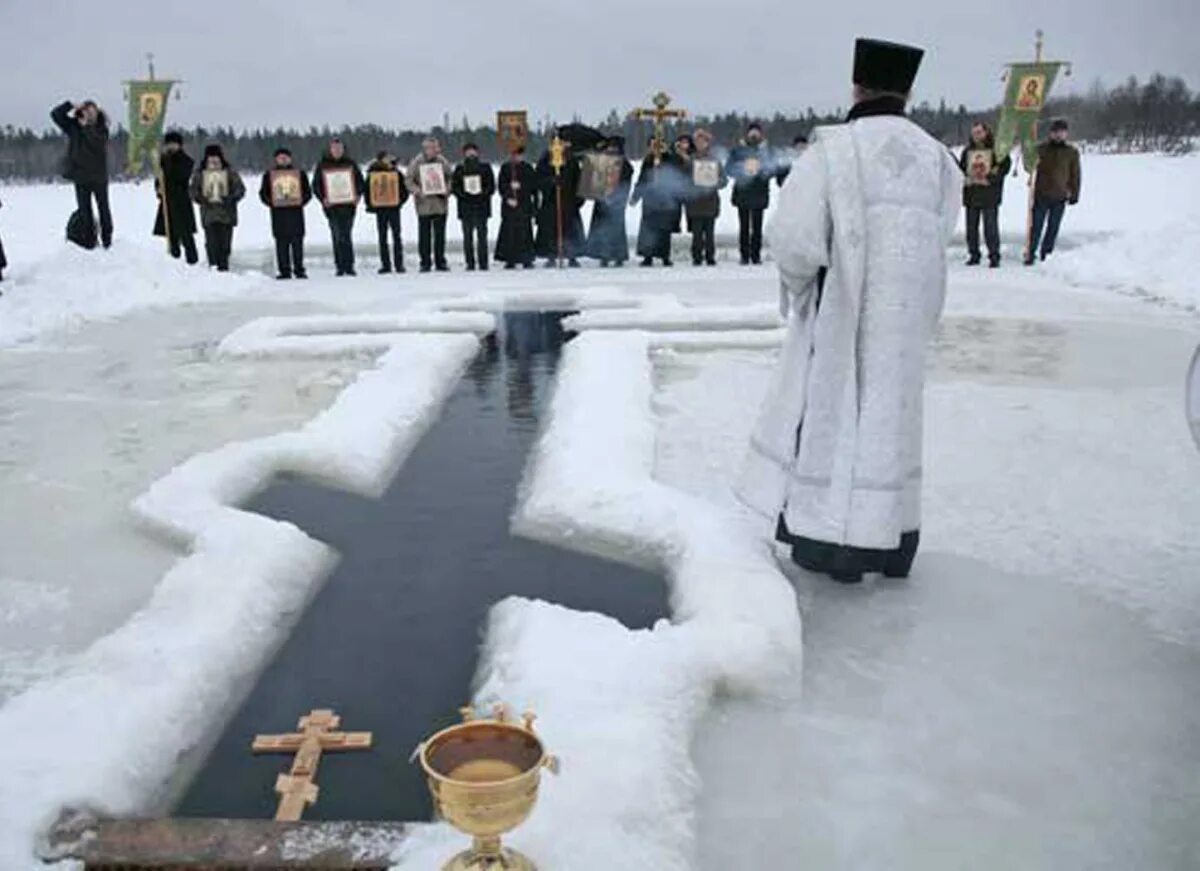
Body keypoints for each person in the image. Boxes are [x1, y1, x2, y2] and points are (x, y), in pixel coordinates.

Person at [736, 37, 961, 585]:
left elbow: (794, 240)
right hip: (905, 319)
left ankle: (834, 546)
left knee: (836, 420)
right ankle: (892, 542)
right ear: (907, 91)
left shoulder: (834, 149)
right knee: (893, 421)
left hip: (844, 313)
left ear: (857, 86)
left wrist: (799, 286)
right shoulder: (937, 156)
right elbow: (942, 230)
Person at [51, 99, 112, 249]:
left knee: (103, 209)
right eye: (86, 111)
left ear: (97, 113)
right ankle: (88, 241)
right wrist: (70, 105)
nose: (89, 115)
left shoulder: (101, 128)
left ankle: (107, 241)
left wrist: (86, 127)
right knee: (85, 213)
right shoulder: (73, 127)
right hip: (80, 177)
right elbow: (55, 115)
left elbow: (97, 144)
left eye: (92, 112)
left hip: (98, 177)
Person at [1027, 118, 1081, 265]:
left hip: (1060, 196)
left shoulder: (1071, 152)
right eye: (1055, 132)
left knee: (1053, 227)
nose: (1058, 135)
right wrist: (1028, 149)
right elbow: (1028, 163)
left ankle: (1046, 253)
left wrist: (1074, 194)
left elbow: (1075, 174)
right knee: (1036, 226)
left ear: (1066, 134)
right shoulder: (1041, 149)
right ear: (1051, 133)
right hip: (1041, 194)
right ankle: (1030, 252)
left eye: (1062, 132)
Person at [958, 122, 1011, 267]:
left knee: (990, 228)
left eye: (979, 132)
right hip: (972, 195)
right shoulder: (967, 151)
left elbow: (1005, 167)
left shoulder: (997, 150)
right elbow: (961, 170)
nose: (976, 136)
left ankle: (994, 256)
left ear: (986, 132)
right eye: (974, 133)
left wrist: (990, 179)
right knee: (971, 229)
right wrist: (965, 179)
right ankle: (974, 254)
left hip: (990, 195)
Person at [631, 135, 689, 267]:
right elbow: (642, 179)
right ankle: (648, 256)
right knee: (648, 228)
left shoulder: (671, 158)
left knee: (664, 229)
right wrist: (636, 196)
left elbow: (678, 170)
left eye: (658, 145)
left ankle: (665, 256)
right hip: (650, 200)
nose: (655, 148)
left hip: (665, 200)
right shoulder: (648, 160)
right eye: (652, 145)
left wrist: (665, 159)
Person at [188, 144, 244, 272]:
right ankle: (213, 268)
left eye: (216, 160)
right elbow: (192, 190)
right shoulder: (200, 174)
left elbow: (240, 189)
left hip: (227, 215)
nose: (213, 163)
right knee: (212, 243)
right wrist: (202, 199)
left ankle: (224, 268)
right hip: (209, 215)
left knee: (225, 244)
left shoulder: (230, 172)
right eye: (211, 160)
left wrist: (230, 198)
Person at [313, 137, 364, 276]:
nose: (337, 151)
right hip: (332, 207)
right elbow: (316, 185)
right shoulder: (323, 165)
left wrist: (358, 196)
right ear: (330, 150)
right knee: (337, 234)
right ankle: (340, 266)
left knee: (346, 235)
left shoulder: (351, 164)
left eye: (340, 148)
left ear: (343, 149)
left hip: (348, 206)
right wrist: (323, 199)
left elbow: (360, 182)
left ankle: (349, 265)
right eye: (334, 148)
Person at [259, 147, 312, 279]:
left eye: (285, 157)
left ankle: (299, 269)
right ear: (276, 159)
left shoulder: (299, 174)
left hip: (296, 214)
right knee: (281, 244)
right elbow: (263, 194)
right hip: (279, 215)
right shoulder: (269, 175)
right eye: (280, 157)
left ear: (290, 158)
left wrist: (300, 201)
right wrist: (272, 202)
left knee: (297, 244)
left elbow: (307, 192)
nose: (283, 159)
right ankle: (284, 270)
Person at [725, 122, 774, 264]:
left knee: (757, 228)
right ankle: (744, 255)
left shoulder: (767, 151)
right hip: (743, 193)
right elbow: (729, 168)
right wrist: (741, 170)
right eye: (751, 132)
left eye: (756, 132)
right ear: (747, 134)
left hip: (760, 192)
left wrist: (763, 171)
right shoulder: (738, 150)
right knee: (744, 227)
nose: (754, 135)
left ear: (761, 134)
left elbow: (772, 170)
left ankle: (756, 255)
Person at [535, 133, 585, 267]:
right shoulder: (545, 159)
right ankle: (551, 255)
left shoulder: (571, 160)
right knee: (551, 230)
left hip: (569, 202)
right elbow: (538, 180)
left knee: (571, 230)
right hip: (551, 201)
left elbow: (579, 181)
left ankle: (572, 256)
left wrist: (579, 199)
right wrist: (551, 181)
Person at [584, 136, 633, 267]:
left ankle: (618, 255)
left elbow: (625, 183)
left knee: (616, 229)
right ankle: (603, 255)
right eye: (610, 147)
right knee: (601, 228)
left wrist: (616, 197)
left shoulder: (625, 165)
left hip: (617, 201)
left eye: (614, 147)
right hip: (602, 200)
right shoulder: (602, 161)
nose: (611, 149)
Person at [682, 128, 728, 266]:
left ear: (708, 142)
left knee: (709, 232)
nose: (700, 143)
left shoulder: (715, 160)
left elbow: (724, 179)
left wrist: (715, 183)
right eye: (698, 141)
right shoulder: (691, 160)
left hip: (710, 200)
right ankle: (696, 256)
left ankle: (710, 256)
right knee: (696, 233)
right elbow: (684, 179)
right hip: (695, 201)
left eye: (703, 141)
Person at [407, 137, 453, 272]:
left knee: (440, 235)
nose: (432, 150)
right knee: (424, 235)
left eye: (434, 147)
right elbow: (409, 180)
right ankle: (425, 262)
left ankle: (440, 261)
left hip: (440, 204)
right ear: (424, 148)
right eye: (429, 147)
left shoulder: (443, 161)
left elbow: (450, 178)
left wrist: (447, 190)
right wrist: (417, 191)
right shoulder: (417, 162)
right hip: (424, 205)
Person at [152, 131, 199, 265]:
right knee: (171, 236)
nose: (171, 146)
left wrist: (167, 162)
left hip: (181, 203)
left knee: (186, 237)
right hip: (167, 203)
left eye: (174, 144)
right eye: (169, 144)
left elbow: (179, 176)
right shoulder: (162, 161)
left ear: (179, 145)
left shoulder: (186, 161)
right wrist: (158, 189)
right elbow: (159, 179)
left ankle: (192, 263)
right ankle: (174, 263)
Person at [451, 142, 496, 271]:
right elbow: (455, 187)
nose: (471, 153)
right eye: (468, 151)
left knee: (482, 237)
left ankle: (483, 262)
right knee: (467, 237)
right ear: (464, 153)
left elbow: (491, 186)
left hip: (481, 206)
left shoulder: (485, 167)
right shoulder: (459, 169)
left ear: (477, 152)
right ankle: (470, 262)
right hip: (466, 207)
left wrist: (482, 194)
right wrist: (465, 194)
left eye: (473, 151)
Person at [364, 150, 409, 274]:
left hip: (394, 208)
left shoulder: (397, 173)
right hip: (380, 209)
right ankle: (385, 264)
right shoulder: (373, 173)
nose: (389, 160)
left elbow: (404, 190)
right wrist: (371, 205)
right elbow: (367, 191)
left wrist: (399, 202)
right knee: (382, 237)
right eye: (386, 158)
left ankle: (399, 264)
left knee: (397, 236)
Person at [494, 146, 538, 269]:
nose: (516, 157)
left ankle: (526, 259)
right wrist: (509, 194)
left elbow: (533, 186)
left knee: (525, 233)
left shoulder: (528, 168)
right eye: (514, 155)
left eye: (518, 155)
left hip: (524, 206)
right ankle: (510, 259)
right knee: (510, 234)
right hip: (510, 206)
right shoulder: (505, 167)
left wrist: (521, 186)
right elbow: (501, 186)